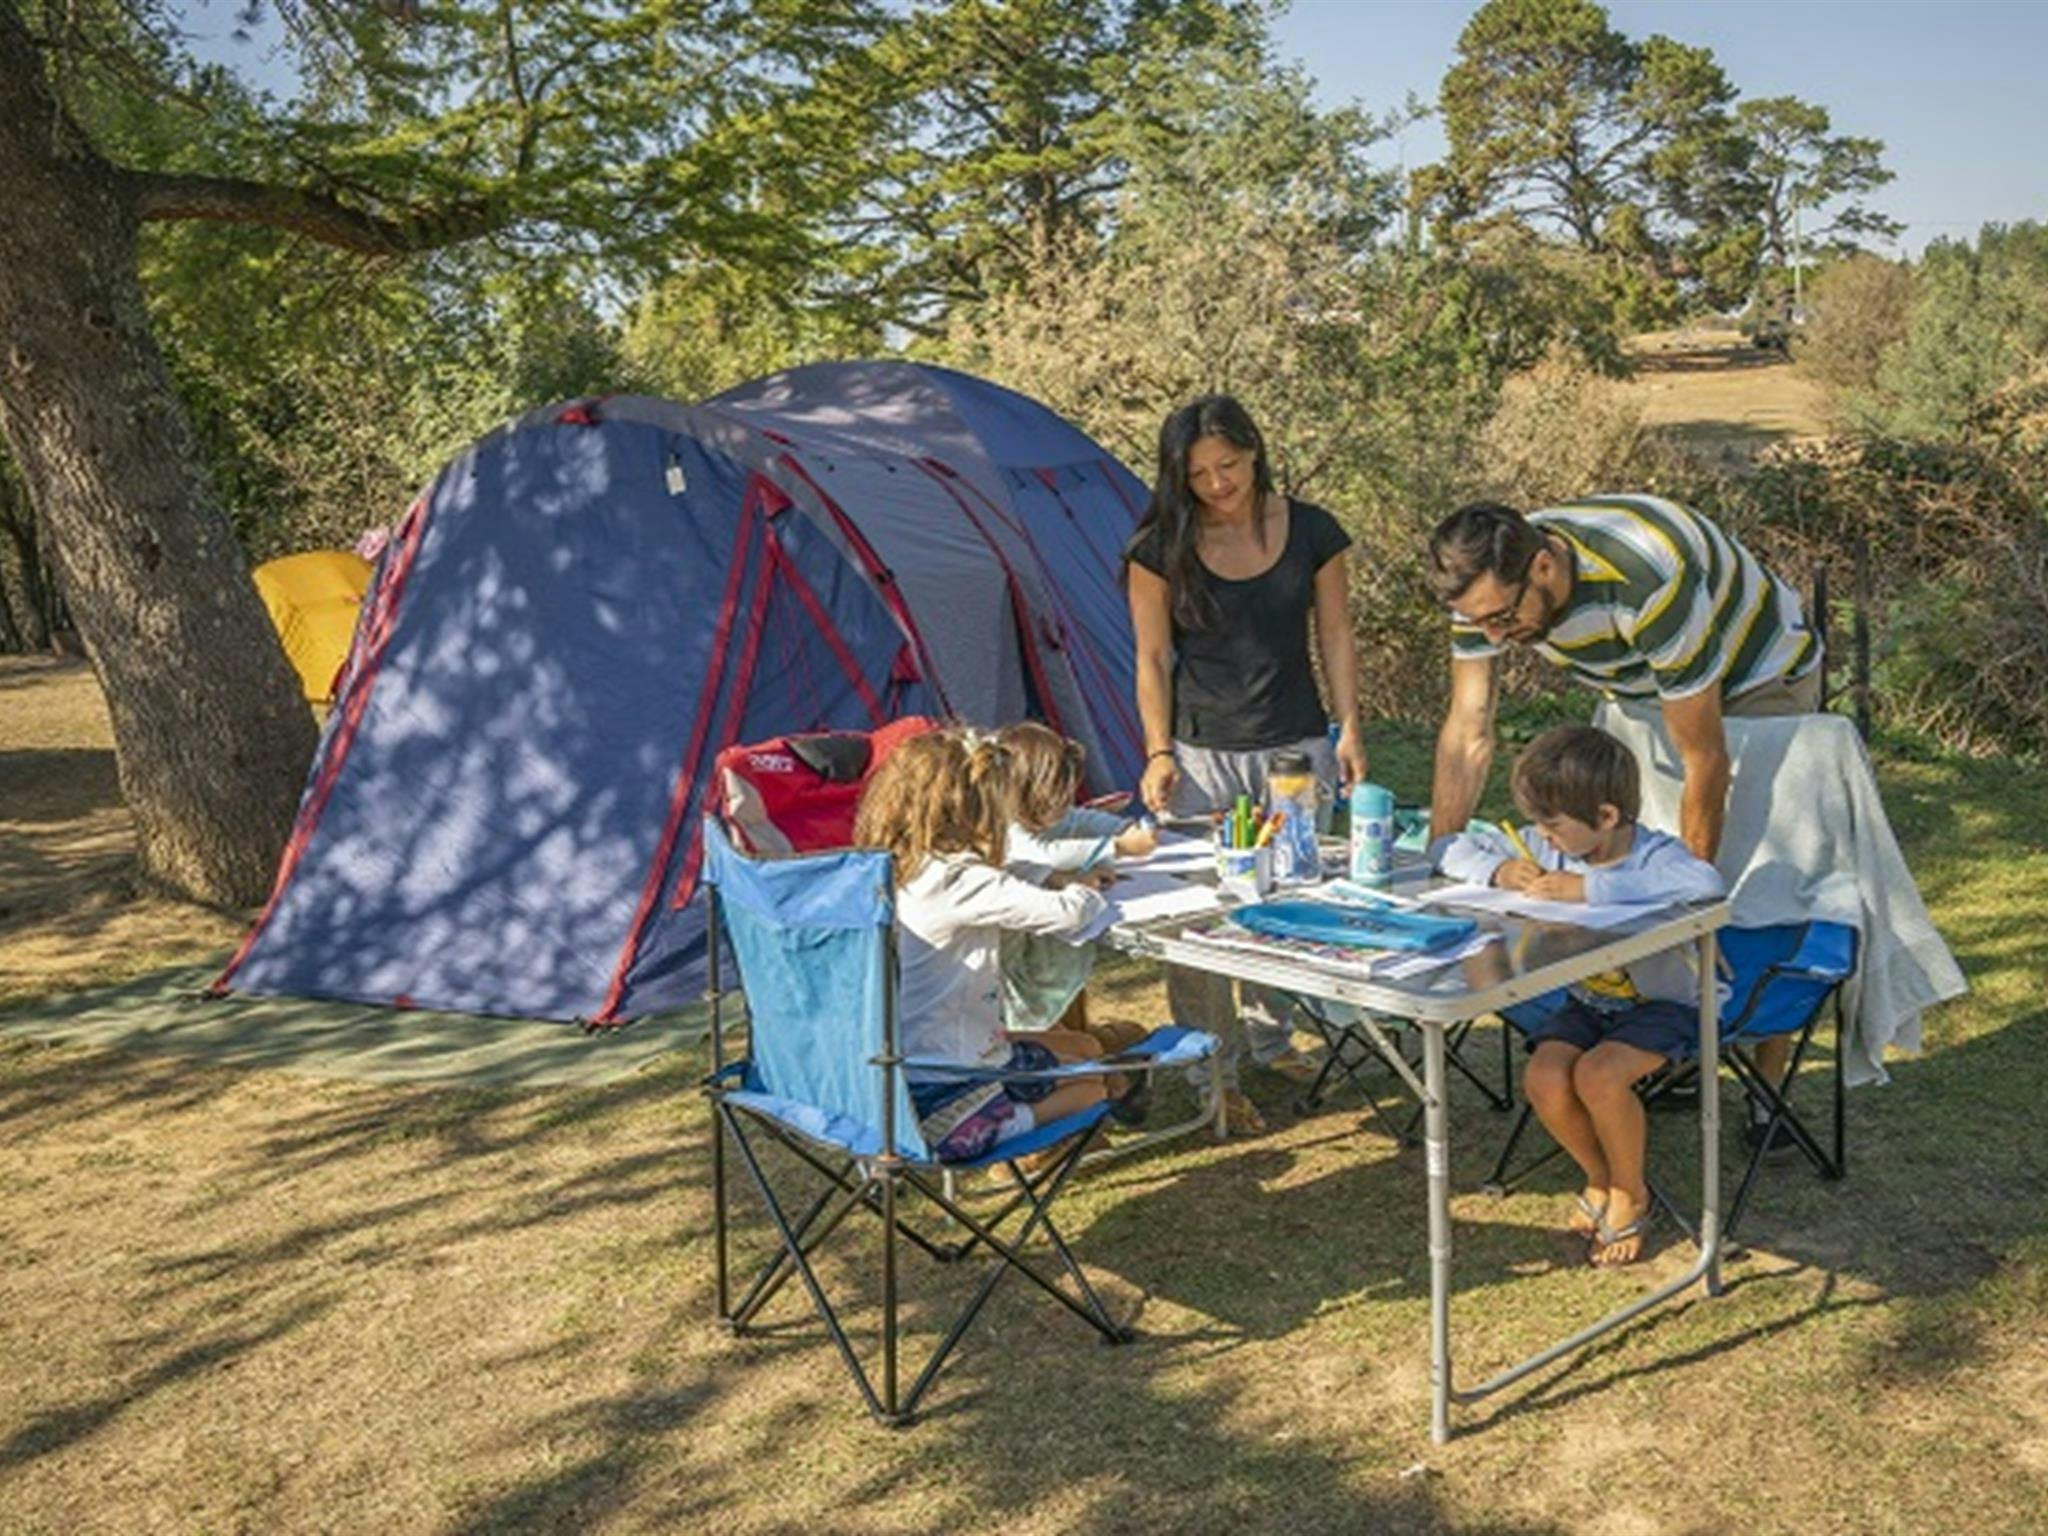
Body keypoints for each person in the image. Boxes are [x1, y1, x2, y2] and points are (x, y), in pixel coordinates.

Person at [1425, 495, 1821, 1148]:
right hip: (1642, 687)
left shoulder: (1647, 577)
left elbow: (1705, 757)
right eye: (1478, 623)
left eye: (1502, 618)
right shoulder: (1485, 590)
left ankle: (1756, 1086)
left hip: (1759, 680)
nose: (1493, 637)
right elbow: (1469, 729)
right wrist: (1444, 854)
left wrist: (1685, 920)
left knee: (1745, 885)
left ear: (1545, 567)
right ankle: (1652, 1043)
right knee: (1618, 857)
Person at [1124, 395, 1369, 1133]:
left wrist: (1350, 728)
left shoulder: (1314, 529)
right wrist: (1158, 750)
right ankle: (1212, 1072)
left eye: (1227, 465)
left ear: (1254, 452)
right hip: (1201, 753)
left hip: (1297, 745)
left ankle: (1272, 1039)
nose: (1216, 484)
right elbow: (1153, 655)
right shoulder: (1158, 546)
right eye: (1197, 474)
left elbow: (1335, 635)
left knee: (1290, 899)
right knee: (1198, 919)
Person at [1437, 726, 1726, 1266]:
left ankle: (1630, 1191)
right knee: (1544, 1077)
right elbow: (1446, 847)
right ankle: (1598, 1175)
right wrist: (1497, 869)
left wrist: (1590, 889)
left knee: (1598, 1075)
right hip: (1590, 1002)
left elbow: (1705, 883)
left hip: (1668, 1006)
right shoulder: (1559, 847)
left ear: (1609, 817)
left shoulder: (1654, 858)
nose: (1543, 839)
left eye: (1554, 826)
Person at [851, 728, 1137, 1163]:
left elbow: (1002, 874)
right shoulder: (959, 880)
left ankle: (1030, 1112)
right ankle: (1005, 1127)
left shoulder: (891, 864)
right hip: (948, 1083)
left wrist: (1047, 874)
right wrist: (1085, 887)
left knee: (1087, 1048)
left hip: (891, 1067)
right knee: (1094, 1085)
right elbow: (1069, 914)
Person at [994, 722, 1155, 1050]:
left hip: (1037, 944)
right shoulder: (1001, 822)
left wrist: (1122, 828)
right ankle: (1066, 1050)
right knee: (1039, 1009)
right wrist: (1117, 847)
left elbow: (1077, 818)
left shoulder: (1047, 813)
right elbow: (1040, 854)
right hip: (1005, 970)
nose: (1061, 806)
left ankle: (1075, 1042)